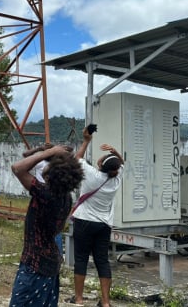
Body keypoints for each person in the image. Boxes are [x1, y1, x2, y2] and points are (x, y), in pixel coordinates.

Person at [9, 145, 83, 307]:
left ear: (52, 174)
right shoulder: (65, 197)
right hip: (50, 264)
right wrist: (46, 151)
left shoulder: (46, 194)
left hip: (35, 265)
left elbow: (17, 168)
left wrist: (49, 152)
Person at [69, 127, 124, 307]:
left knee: (81, 259)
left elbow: (77, 159)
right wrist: (114, 151)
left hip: (84, 221)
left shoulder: (91, 174)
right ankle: (106, 302)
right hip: (103, 225)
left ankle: (78, 299)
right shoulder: (116, 180)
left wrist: (86, 140)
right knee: (102, 260)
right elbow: (121, 163)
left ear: (100, 165)